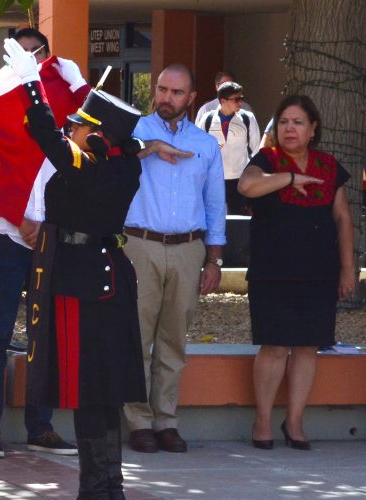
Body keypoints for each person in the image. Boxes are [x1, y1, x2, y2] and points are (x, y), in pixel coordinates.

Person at [4, 36, 156, 500]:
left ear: (96, 136)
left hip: (80, 281)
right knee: (103, 388)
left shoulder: (94, 164)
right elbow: (66, 142)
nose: (71, 129)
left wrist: (32, 87)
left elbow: (48, 138)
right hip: (99, 277)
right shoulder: (118, 163)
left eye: (80, 124)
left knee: (88, 387)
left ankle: (96, 493)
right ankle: (109, 490)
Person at [0, 28, 88, 460]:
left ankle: (41, 425)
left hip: (52, 236)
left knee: (47, 335)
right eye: (17, 55)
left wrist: (76, 83)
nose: (26, 61)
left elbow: (88, 148)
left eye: (33, 53)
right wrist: (18, 219)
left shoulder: (60, 102)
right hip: (7, 236)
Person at [238, 95, 355, 451]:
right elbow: (247, 186)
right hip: (272, 272)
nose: (290, 128)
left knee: (307, 347)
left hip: (319, 272)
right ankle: (262, 422)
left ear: (313, 128)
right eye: (284, 121)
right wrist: (288, 177)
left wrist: (349, 269)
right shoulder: (267, 160)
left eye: (298, 122)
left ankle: (295, 421)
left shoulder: (329, 166)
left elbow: (343, 219)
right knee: (274, 347)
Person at [122, 64, 226, 454]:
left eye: (176, 92)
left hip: (188, 248)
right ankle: (138, 421)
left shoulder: (204, 144)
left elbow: (215, 203)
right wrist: (148, 149)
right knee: (136, 336)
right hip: (140, 244)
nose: (166, 97)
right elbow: (110, 157)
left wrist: (214, 259)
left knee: (173, 341)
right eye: (162, 89)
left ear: (192, 97)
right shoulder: (134, 131)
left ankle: (166, 420)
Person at [197, 81, 260, 215]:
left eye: (241, 99)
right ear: (223, 101)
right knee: (212, 218)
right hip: (213, 179)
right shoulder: (207, 119)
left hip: (239, 179)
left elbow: (256, 150)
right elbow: (198, 149)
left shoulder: (247, 118)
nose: (240, 103)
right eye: (236, 99)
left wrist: (254, 177)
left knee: (238, 220)